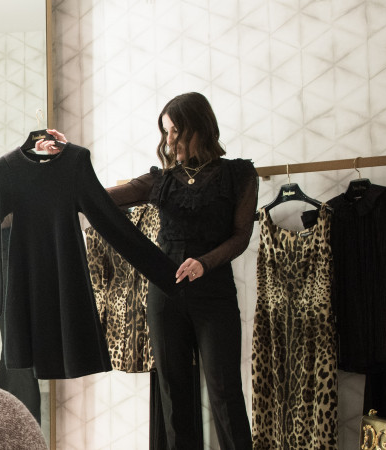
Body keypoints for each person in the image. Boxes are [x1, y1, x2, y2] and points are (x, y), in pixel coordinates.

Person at [39, 92, 256, 449]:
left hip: (215, 296)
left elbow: (241, 236)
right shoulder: (160, 180)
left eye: (174, 131)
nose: (168, 141)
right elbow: (96, 198)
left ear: (198, 126)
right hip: (165, 298)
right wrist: (67, 157)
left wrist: (204, 263)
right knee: (174, 395)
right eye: (165, 132)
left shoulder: (239, 174)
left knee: (225, 392)